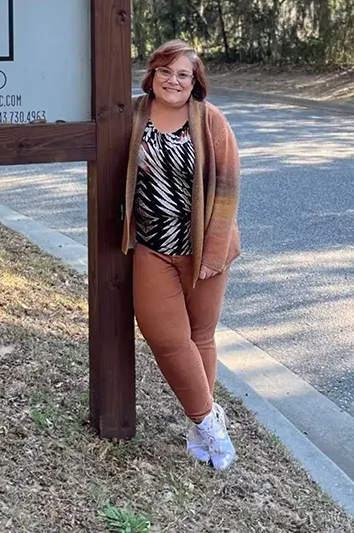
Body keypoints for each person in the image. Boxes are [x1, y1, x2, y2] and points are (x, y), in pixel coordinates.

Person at [122, 39, 241, 471]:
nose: (173, 81)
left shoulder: (209, 120)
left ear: (196, 82)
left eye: (183, 74)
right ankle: (210, 421)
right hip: (153, 245)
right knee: (165, 336)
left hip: (204, 247)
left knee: (201, 336)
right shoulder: (132, 114)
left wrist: (211, 254)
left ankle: (198, 427)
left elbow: (227, 190)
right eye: (165, 71)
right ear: (151, 75)